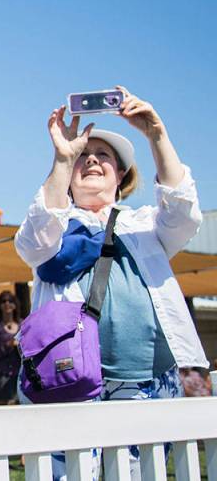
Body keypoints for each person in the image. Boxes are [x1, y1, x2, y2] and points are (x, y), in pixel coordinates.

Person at [15, 87, 207, 480]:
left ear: (121, 176)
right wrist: (62, 158)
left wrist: (156, 132)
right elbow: (35, 239)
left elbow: (184, 212)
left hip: (145, 380)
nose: (92, 162)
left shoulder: (146, 225)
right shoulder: (54, 223)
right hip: (65, 380)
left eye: (103, 157)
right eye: (83, 157)